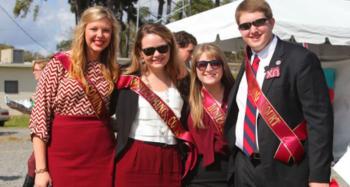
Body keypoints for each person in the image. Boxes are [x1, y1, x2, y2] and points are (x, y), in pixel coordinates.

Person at [224, 0, 334, 187]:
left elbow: (320, 120)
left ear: (272, 22)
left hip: (285, 169)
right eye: (245, 26)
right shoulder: (248, 61)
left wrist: (319, 176)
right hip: (244, 167)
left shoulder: (300, 59)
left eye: (259, 22)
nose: (253, 30)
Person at [29, 6, 119, 187]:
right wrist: (41, 170)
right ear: (83, 30)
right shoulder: (59, 64)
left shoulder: (113, 69)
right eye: (94, 29)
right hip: (63, 155)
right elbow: (40, 118)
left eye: (106, 30)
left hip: (101, 155)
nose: (100, 35)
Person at [111, 23, 195, 187]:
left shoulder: (185, 81)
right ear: (140, 53)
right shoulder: (126, 81)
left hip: (172, 160)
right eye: (149, 51)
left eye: (162, 48)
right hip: (135, 157)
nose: (156, 54)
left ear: (171, 48)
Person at [183, 43, 234, 186]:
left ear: (223, 66)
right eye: (202, 65)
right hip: (199, 177)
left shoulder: (238, 96)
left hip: (235, 172)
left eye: (215, 63)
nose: (209, 69)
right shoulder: (188, 101)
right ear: (195, 70)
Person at [20, 59, 48, 187]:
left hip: (47, 134)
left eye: (36, 70)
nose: (33, 73)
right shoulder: (39, 88)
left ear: (45, 71)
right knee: (32, 162)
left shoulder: (48, 87)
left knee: (33, 163)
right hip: (39, 132)